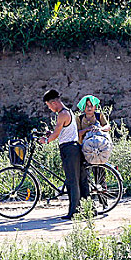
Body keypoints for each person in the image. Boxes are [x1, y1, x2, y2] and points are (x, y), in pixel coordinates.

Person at [39, 89, 89, 219]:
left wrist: (46, 140)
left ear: (54, 102)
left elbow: (56, 134)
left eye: (49, 106)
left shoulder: (62, 114)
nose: (49, 108)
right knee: (80, 180)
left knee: (72, 181)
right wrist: (52, 134)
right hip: (73, 148)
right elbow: (60, 131)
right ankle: (87, 209)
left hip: (69, 149)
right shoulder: (68, 112)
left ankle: (74, 212)